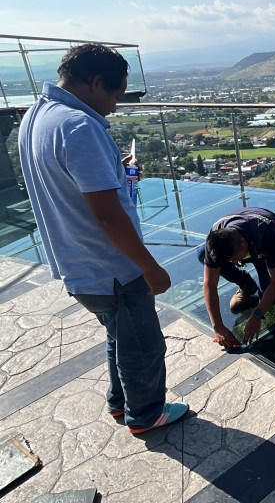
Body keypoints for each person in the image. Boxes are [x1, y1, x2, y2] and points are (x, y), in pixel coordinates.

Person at [18, 44, 188, 434]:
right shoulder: (79, 126)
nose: (115, 106)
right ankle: (145, 414)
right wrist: (150, 267)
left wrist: (116, 171)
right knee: (143, 346)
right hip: (111, 269)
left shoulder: (37, 116)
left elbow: (71, 184)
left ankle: (119, 401)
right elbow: (108, 216)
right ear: (96, 83)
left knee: (119, 336)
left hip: (77, 265)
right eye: (114, 94)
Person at [197, 207, 275, 348]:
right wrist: (218, 326)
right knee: (202, 254)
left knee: (273, 292)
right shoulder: (216, 240)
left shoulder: (265, 234)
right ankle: (246, 284)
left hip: (269, 242)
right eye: (230, 261)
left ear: (242, 242)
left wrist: (257, 315)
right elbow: (209, 284)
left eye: (234, 258)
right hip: (248, 243)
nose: (235, 263)